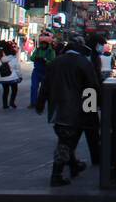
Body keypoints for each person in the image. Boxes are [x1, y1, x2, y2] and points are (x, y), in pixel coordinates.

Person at [36, 36, 102, 186]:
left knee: (67, 137)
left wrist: (40, 104)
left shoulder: (55, 62)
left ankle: (74, 165)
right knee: (66, 141)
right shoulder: (84, 63)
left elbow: (45, 85)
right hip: (75, 108)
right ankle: (56, 174)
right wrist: (92, 110)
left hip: (58, 107)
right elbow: (91, 88)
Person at [30, 37, 56, 106]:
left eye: (44, 44)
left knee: (45, 89)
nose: (43, 45)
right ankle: (33, 103)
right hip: (36, 71)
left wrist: (45, 61)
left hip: (46, 72)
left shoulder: (51, 51)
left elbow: (53, 62)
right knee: (34, 87)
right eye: (42, 43)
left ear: (47, 44)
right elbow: (32, 58)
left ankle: (45, 103)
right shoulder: (38, 50)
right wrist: (36, 58)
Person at [0, 42, 22, 109]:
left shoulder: (1, 60)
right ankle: (12, 102)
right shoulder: (14, 59)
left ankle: (5, 104)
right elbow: (17, 69)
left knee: (5, 91)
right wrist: (20, 76)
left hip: (3, 78)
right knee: (14, 90)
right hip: (13, 77)